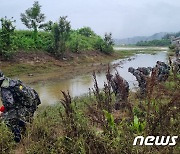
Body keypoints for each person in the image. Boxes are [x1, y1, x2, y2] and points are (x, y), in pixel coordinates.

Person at [0, 70, 41, 142]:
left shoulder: (4, 89)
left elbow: (9, 105)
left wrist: (2, 111)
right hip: (34, 101)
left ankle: (18, 137)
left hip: (27, 106)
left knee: (6, 119)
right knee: (26, 118)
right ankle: (29, 130)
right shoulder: (10, 81)